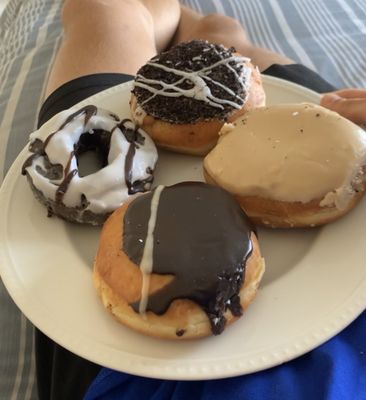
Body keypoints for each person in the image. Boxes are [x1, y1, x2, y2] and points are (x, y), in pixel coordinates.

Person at [35, 1, 366, 399]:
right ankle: (181, 20)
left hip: (129, 376)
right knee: (224, 35)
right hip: (306, 123)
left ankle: (164, 15)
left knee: (104, 11)